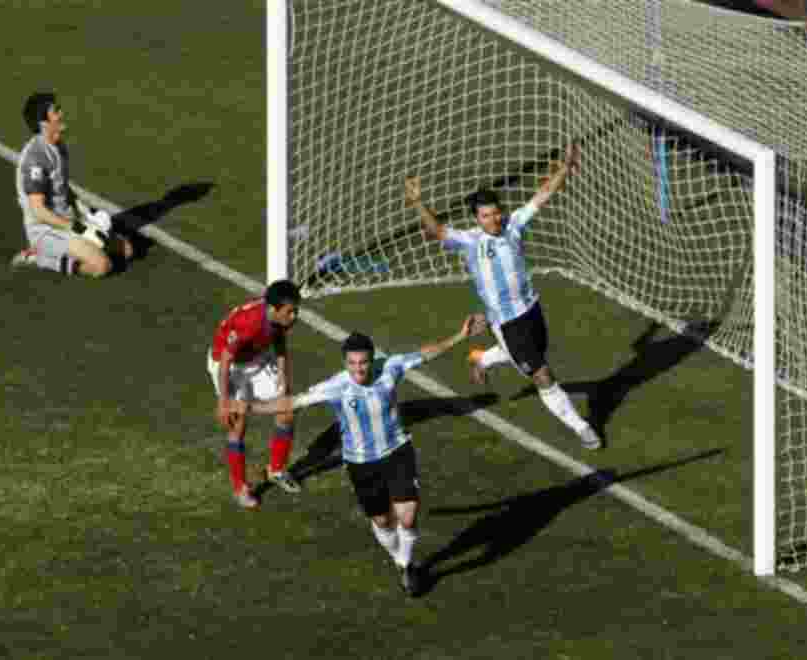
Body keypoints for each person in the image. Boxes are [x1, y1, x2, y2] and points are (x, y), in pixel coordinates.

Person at [235, 314, 488, 596]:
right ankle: (398, 558)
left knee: (407, 514)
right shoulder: (337, 386)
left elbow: (423, 354)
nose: (358, 369)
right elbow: (291, 402)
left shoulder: (390, 368)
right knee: (382, 521)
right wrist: (251, 408)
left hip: (396, 451)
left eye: (363, 362)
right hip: (361, 463)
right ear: (345, 363)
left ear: (372, 359)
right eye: (352, 363)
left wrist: (459, 335)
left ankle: (406, 565)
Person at [404, 144, 602, 450]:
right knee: (542, 375)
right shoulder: (470, 242)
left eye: (496, 213)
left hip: (532, 308)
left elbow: (543, 195)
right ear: (477, 219)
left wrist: (564, 168)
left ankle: (482, 359)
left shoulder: (514, 225)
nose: (494, 219)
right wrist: (417, 202)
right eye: (486, 216)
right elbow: (438, 229)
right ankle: (581, 426)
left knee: (535, 357)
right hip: (507, 322)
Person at [11, 92, 134, 276]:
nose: (61, 114)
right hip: (46, 230)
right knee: (102, 266)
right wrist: (76, 227)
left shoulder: (59, 146)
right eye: (56, 111)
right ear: (44, 123)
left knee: (127, 250)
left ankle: (78, 248)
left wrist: (86, 211)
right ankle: (39, 257)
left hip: (68, 220)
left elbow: (61, 187)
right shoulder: (35, 159)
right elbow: (39, 210)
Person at [209, 279, 304, 508]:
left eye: (296, 310)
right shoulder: (248, 323)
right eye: (290, 312)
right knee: (237, 423)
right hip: (228, 366)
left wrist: (282, 373)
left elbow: (279, 338)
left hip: (256, 359)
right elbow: (224, 361)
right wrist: (223, 401)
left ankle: (277, 470)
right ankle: (241, 488)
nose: (294, 316)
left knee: (287, 409)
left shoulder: (279, 317)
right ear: (273, 309)